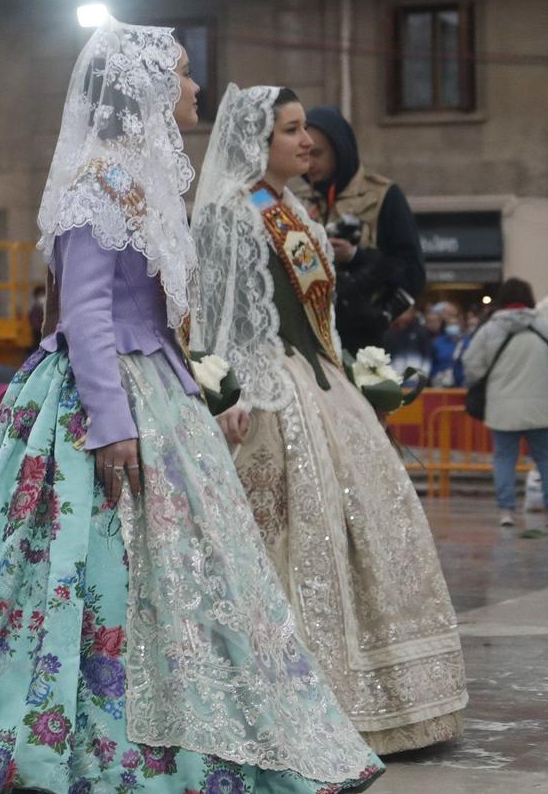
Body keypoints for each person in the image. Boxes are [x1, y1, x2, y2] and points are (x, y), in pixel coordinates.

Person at [0, 21, 382, 794]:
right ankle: (68, 736)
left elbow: (159, 319)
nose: (195, 87)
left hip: (159, 394)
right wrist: (112, 424)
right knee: (76, 570)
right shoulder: (96, 187)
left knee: (190, 577)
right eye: (181, 74)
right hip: (100, 401)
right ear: (143, 88)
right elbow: (87, 316)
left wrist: (199, 394)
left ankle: (223, 728)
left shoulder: (141, 184)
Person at [195, 84, 467, 753]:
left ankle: (382, 692)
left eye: (304, 130)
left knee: (363, 523)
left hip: (319, 385)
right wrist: (233, 392)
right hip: (270, 392)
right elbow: (216, 314)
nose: (306, 140)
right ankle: (284, 694)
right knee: (285, 538)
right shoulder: (231, 213)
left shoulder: (286, 205)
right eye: (291, 130)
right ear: (257, 142)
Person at [303, 106, 424, 352]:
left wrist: (355, 256)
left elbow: (413, 272)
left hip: (368, 344)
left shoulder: (383, 195)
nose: (310, 163)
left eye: (317, 153)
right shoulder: (298, 202)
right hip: (312, 341)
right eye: (305, 153)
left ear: (339, 150)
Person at [462, 278, 548, 531]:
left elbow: (471, 365)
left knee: (504, 459)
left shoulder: (490, 330)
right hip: (540, 406)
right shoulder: (543, 326)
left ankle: (506, 511)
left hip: (502, 407)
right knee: (544, 459)